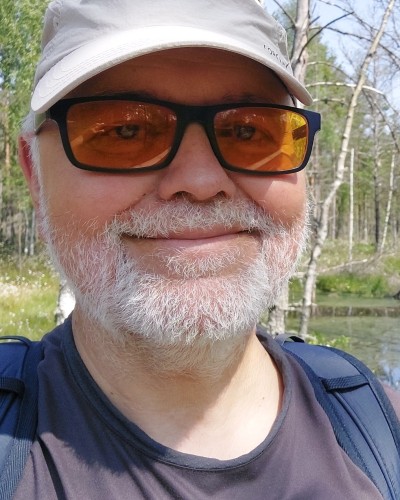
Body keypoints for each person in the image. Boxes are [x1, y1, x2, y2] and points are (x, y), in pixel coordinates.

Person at [13, 0, 399, 498]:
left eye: (248, 131)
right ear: (35, 176)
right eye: (125, 131)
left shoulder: (381, 430)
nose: (199, 181)